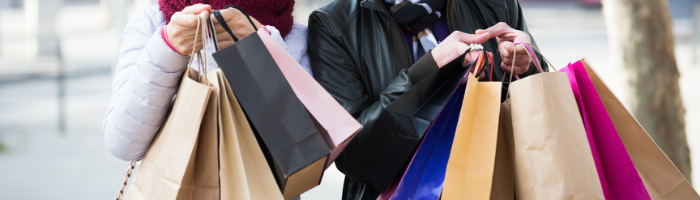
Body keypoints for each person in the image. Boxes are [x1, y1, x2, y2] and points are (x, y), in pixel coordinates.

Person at [307, 0, 548, 199]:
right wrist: (427, 71)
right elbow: (354, 159)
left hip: (497, 185)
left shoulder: (497, 4)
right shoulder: (333, 23)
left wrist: (527, 68)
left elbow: (541, 120)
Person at [103, 0, 310, 161]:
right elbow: (122, 143)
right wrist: (168, 48)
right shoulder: (153, 22)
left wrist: (263, 50)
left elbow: (310, 151)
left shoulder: (296, 35)